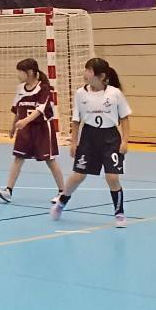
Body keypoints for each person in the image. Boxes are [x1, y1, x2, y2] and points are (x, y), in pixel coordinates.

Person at [51, 58, 132, 228]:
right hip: (88, 137)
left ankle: (119, 213)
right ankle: (62, 202)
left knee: (112, 177)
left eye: (89, 70)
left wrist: (125, 140)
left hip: (110, 138)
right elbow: (76, 120)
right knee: (78, 176)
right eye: (85, 69)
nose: (85, 73)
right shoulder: (81, 93)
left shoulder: (115, 93)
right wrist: (74, 142)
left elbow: (124, 118)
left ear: (101, 76)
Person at [0, 59, 64, 204]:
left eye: (20, 72)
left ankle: (62, 192)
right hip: (25, 130)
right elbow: (17, 109)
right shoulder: (20, 89)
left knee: (50, 160)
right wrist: (13, 126)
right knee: (18, 158)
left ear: (30, 72)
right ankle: (8, 190)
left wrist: (25, 121)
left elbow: (40, 109)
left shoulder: (44, 88)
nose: (18, 75)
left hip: (42, 129)